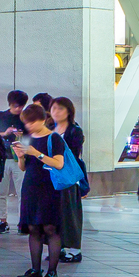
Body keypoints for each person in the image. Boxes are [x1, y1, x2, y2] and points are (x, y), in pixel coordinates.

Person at [11, 103, 67, 277]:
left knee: (50, 227)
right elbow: (24, 167)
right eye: (26, 122)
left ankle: (52, 272)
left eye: (32, 122)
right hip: (31, 186)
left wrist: (37, 153)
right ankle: (35, 269)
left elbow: (58, 164)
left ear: (43, 119)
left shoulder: (54, 138)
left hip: (50, 187)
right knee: (33, 227)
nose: (29, 126)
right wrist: (20, 156)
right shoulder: (27, 138)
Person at [50, 96, 87, 262]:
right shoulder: (49, 128)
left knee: (70, 213)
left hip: (68, 178)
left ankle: (74, 249)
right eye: (53, 108)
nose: (56, 112)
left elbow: (73, 155)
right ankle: (59, 248)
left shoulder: (74, 131)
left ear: (69, 111)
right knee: (55, 213)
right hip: (51, 177)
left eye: (60, 108)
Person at [0, 90, 28, 233]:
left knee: (22, 191)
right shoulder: (0, 116)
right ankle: (3, 221)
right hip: (2, 158)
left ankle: (23, 221)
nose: (19, 109)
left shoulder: (26, 118)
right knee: (0, 191)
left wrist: (23, 136)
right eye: (16, 106)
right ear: (10, 104)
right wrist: (5, 133)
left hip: (20, 159)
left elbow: (32, 136)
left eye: (21, 106)